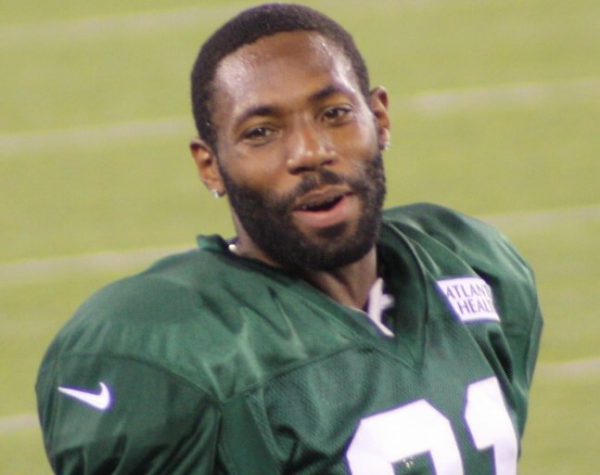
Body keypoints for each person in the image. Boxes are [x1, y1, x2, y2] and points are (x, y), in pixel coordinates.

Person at [36, 3, 543, 474]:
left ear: (380, 118)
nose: (310, 152)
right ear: (211, 166)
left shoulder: (470, 264)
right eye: (261, 132)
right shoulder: (173, 353)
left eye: (335, 113)